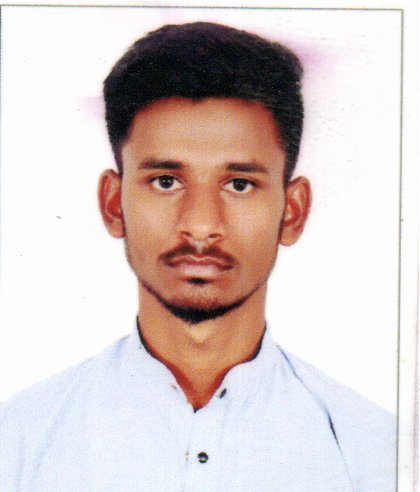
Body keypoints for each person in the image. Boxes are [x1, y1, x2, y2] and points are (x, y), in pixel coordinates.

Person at [0, 22, 395, 491]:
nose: (202, 225)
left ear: (292, 211)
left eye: (239, 184)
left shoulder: (376, 454)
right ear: (113, 204)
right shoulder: (17, 443)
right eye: (166, 181)